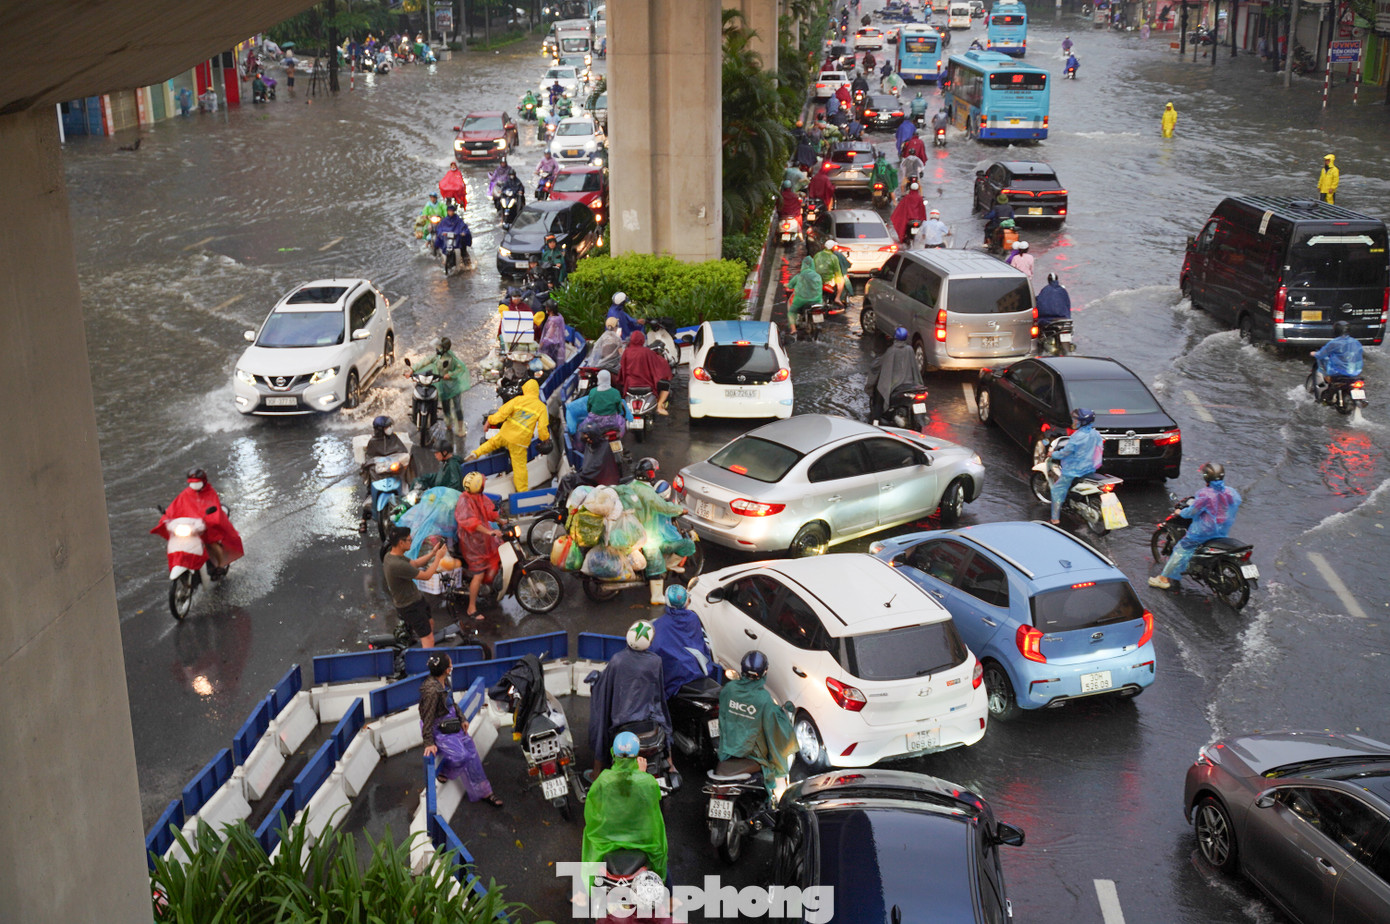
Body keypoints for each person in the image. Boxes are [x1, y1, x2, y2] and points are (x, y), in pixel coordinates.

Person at [587, 621, 672, 778]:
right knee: (665, 724)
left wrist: (595, 681)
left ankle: (596, 771)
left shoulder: (617, 660)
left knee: (601, 726)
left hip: (622, 720)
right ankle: (671, 764)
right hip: (649, 717)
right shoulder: (655, 661)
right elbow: (658, 692)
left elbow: (605, 688)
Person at [581, 731, 668, 880]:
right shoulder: (647, 782)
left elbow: (592, 812)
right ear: (637, 755)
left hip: (606, 842)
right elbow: (653, 802)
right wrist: (642, 774)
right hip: (643, 841)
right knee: (661, 861)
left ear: (614, 754)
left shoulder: (603, 780)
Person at [420, 653, 503, 804]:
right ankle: (446, 771)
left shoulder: (445, 681)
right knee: (461, 756)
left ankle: (484, 791)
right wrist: (428, 742)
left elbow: (452, 702)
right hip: (439, 728)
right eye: (450, 664)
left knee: (472, 753)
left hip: (452, 722)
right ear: (446, 669)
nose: (452, 666)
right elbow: (427, 717)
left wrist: (462, 718)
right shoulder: (431, 691)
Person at [1148, 463, 1242, 591]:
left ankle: (1163, 579)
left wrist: (1180, 512)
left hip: (1203, 532)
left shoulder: (1205, 494)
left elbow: (1192, 511)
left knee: (1181, 550)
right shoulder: (1231, 492)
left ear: (1206, 477)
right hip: (1222, 530)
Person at [717, 651, 796, 797]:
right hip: (753, 757)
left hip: (727, 751)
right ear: (764, 672)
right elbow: (774, 732)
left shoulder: (729, 689)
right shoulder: (764, 699)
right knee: (779, 775)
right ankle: (779, 803)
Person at [152, 468, 244, 579]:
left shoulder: (210, 493)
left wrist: (209, 520)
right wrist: (166, 517)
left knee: (212, 543)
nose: (194, 485)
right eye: (192, 482)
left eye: (197, 482)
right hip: (192, 526)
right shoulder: (186, 493)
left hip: (207, 526)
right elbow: (175, 507)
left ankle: (220, 565)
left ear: (203, 481)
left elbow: (214, 511)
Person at [469, 379, 549, 493]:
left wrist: (489, 421)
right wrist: (545, 439)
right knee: (519, 468)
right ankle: (522, 492)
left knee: (491, 443)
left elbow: (501, 414)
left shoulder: (517, 400)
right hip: (519, 442)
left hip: (505, 434)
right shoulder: (541, 407)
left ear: (525, 389)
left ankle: (475, 453)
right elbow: (542, 428)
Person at [649, 585, 722, 700]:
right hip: (696, 670)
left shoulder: (658, 626)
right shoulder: (693, 618)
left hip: (674, 677)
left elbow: (654, 651)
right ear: (686, 601)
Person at [382, 526, 447, 648]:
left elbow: (415, 563)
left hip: (416, 599)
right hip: (410, 606)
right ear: (401, 543)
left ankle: (427, 646)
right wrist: (438, 558)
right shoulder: (397, 564)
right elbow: (426, 576)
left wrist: (433, 553)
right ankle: (428, 657)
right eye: (409, 540)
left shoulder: (391, 556)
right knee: (427, 638)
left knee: (430, 623)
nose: (411, 542)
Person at [453, 472, 502, 619]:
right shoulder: (464, 501)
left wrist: (501, 520)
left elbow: (490, 510)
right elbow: (471, 522)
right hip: (471, 542)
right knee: (478, 574)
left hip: (484, 538)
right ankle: (471, 608)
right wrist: (489, 532)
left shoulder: (479, 496)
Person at [1048, 408, 1103, 524]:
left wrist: (1053, 454)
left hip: (1074, 470)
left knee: (1057, 490)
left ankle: (1055, 519)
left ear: (1082, 422)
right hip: (1090, 468)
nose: (1074, 421)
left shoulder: (1077, 436)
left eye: (1076, 419)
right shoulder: (1095, 433)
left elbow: (1065, 452)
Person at [412, 337, 470, 442]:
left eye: (439, 347)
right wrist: (412, 369)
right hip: (443, 386)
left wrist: (450, 374)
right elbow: (425, 361)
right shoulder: (437, 357)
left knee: (457, 408)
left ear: (445, 348)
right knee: (446, 407)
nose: (437, 349)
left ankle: (460, 428)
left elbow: (461, 368)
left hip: (454, 387)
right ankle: (448, 425)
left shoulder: (452, 358)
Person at [867, 327, 924, 423]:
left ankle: (875, 421)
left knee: (879, 394)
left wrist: (873, 366)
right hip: (909, 383)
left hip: (893, 384)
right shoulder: (910, 349)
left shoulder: (891, 351)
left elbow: (878, 364)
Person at [619, 330, 673, 417]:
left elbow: (622, 368)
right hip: (646, 384)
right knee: (666, 385)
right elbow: (660, 364)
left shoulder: (626, 352)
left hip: (629, 384)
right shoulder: (647, 352)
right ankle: (659, 406)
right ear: (642, 340)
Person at [1310, 320, 1365, 399]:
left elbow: (1321, 355)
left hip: (1338, 373)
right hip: (1356, 372)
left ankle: (1326, 379)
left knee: (1322, 359)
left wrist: (1314, 353)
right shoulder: (1356, 342)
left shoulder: (1334, 343)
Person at [787, 256, 823, 336]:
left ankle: (793, 330)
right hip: (818, 301)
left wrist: (788, 285)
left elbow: (790, 285)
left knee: (791, 312)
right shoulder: (818, 276)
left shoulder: (800, 276)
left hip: (801, 301)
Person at [434, 204, 471, 274]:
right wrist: (440, 234)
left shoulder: (458, 220)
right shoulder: (444, 221)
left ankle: (467, 264)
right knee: (439, 244)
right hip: (447, 240)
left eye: (451, 211)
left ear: (454, 211)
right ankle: (443, 259)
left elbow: (464, 227)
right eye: (449, 211)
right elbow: (440, 229)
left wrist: (463, 233)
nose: (450, 212)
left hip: (457, 239)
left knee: (463, 250)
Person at [813, 239, 849, 307]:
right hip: (828, 281)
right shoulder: (833, 257)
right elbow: (837, 272)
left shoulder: (817, 255)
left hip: (816, 280)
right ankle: (837, 298)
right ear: (832, 248)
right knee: (841, 280)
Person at [539, 302, 567, 367]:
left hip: (551, 344)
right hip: (557, 342)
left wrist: (541, 344)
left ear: (550, 310)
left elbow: (550, 334)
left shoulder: (553, 320)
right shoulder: (559, 317)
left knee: (550, 363)